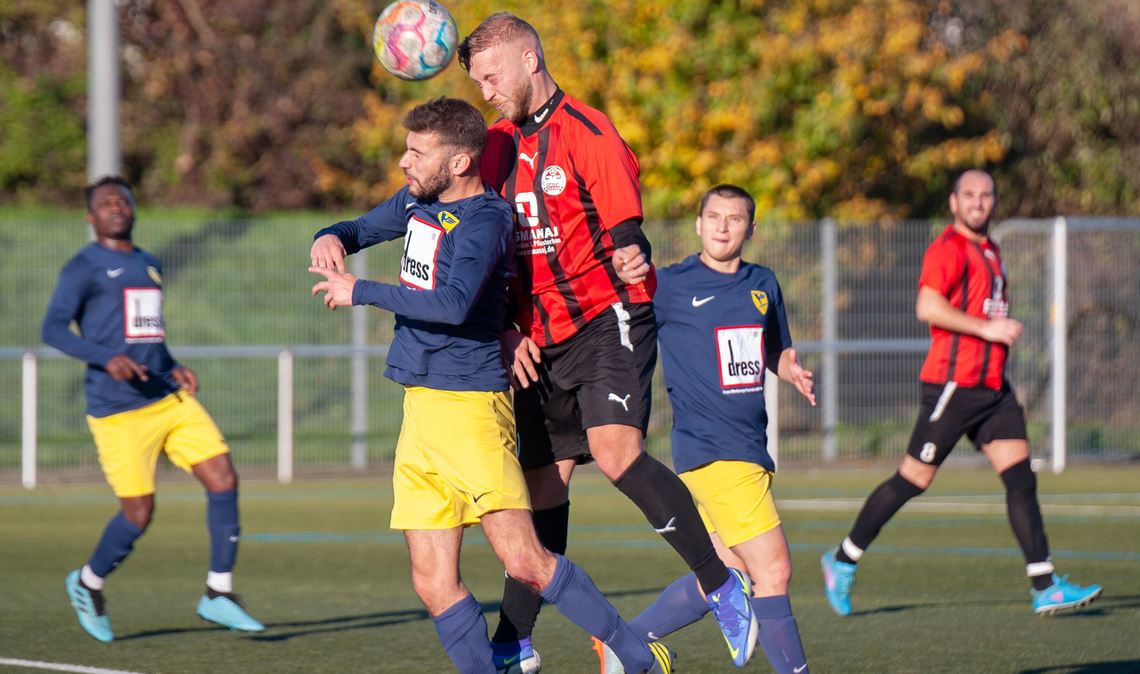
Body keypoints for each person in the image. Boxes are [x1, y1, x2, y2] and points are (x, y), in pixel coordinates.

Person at [308, 97, 673, 674]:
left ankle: (636, 656)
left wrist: (363, 291)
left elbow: (453, 305)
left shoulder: (487, 219)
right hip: (420, 409)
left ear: (457, 163)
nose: (405, 162)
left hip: (470, 411)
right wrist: (331, 236)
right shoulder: (416, 202)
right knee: (432, 582)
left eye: (417, 152)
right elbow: (356, 228)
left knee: (527, 560)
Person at [457, 13, 756, 673]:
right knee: (541, 490)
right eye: (477, 81)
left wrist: (629, 251)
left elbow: (626, 230)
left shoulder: (590, 133)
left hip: (607, 317)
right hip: (534, 337)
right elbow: (484, 249)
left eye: (491, 75)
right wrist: (506, 329)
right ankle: (513, 642)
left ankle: (720, 583)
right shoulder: (493, 149)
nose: (486, 91)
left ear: (528, 59)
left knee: (615, 452)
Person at [820, 169, 1103, 617]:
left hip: (993, 389)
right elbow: (927, 306)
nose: (978, 202)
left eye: (986, 194)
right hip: (953, 387)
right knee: (913, 480)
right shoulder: (947, 249)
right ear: (953, 203)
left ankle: (1045, 585)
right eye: (968, 195)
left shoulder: (991, 249)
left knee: (1020, 479)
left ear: (994, 201)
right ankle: (842, 560)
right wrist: (986, 327)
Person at [595, 185, 813, 674]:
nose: (722, 226)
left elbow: (773, 346)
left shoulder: (764, 284)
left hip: (745, 447)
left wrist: (788, 367)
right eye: (713, 216)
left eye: (734, 219)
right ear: (698, 224)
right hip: (715, 453)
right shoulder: (668, 284)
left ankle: (625, 644)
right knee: (773, 570)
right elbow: (614, 296)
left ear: (750, 229)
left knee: (725, 570)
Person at [42, 175, 264, 643]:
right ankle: (88, 582)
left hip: (168, 398)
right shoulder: (83, 266)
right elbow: (54, 329)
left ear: (134, 208)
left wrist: (173, 364)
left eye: (122, 200)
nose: (116, 207)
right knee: (138, 513)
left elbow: (146, 334)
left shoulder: (149, 262)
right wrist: (105, 358)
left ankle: (217, 592)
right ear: (91, 217)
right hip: (118, 412)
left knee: (223, 478)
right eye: (105, 203)